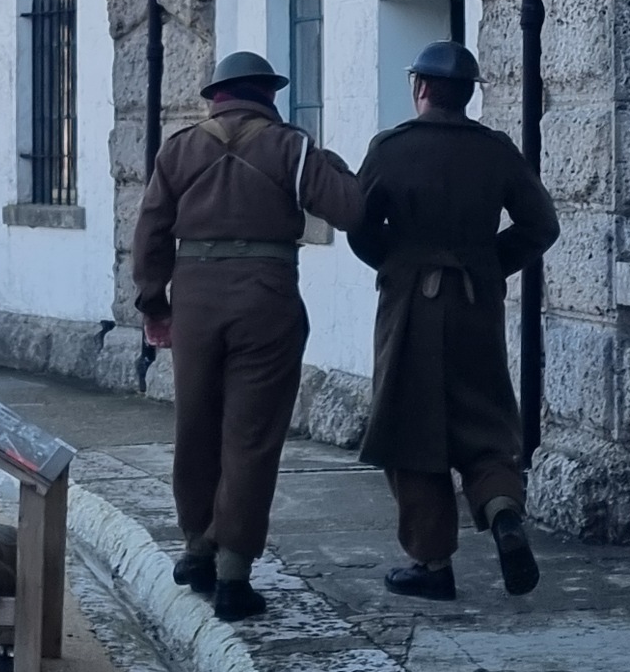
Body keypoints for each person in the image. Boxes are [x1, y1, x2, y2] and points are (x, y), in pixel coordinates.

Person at [132, 50, 364, 621]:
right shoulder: (290, 147)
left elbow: (150, 232)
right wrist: (324, 159)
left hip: (194, 298)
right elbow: (351, 210)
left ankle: (196, 546)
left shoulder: (179, 149)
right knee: (252, 435)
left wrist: (153, 305)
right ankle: (234, 571)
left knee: (195, 424)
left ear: (216, 96)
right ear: (267, 95)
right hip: (266, 295)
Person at [348, 40, 559, 601]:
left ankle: (432, 562)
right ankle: (503, 511)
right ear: (467, 95)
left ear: (420, 87)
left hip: (410, 308)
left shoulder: (391, 148)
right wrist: (488, 266)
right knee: (484, 419)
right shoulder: (495, 151)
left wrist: (398, 264)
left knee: (412, 429)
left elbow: (359, 227)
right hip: (475, 304)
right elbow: (541, 225)